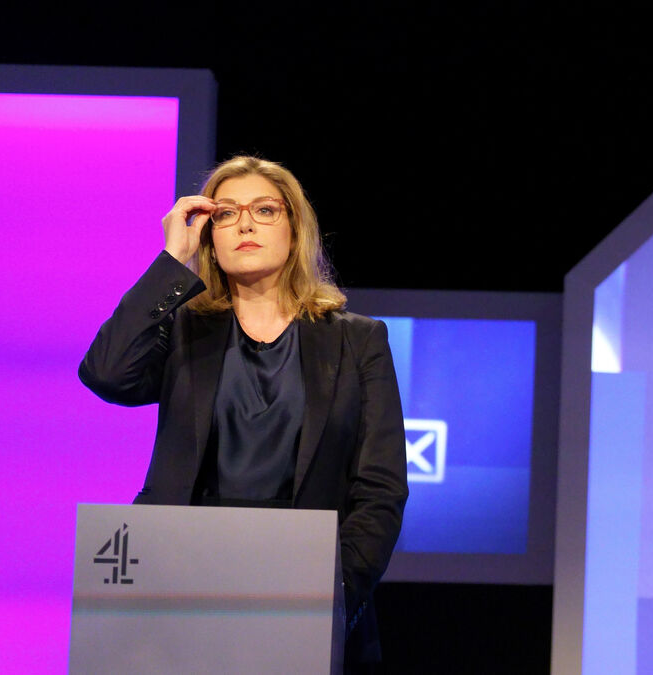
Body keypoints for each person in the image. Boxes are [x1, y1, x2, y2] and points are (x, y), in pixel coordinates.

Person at [79, 156, 408, 669]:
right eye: (227, 213)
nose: (245, 224)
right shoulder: (183, 330)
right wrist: (172, 260)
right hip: (179, 590)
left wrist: (332, 592)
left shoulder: (357, 339)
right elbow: (106, 372)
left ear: (294, 231)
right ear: (210, 237)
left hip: (306, 592)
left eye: (264, 210)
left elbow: (381, 487)